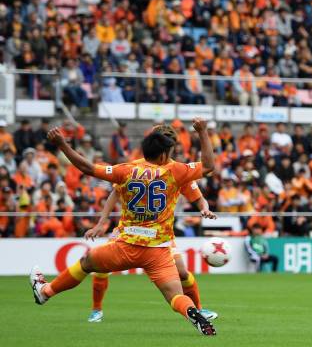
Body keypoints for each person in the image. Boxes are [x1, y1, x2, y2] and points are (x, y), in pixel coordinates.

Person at [29, 118, 217, 336]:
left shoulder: (127, 170)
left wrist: (62, 144)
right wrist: (202, 131)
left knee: (86, 263)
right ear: (165, 153)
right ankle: (192, 312)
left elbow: (87, 167)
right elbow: (210, 166)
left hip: (125, 244)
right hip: (158, 250)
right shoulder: (176, 171)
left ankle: (46, 292)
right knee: (174, 295)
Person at [83, 125, 218, 323]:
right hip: (129, 229)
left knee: (182, 272)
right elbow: (115, 192)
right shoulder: (136, 165)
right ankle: (96, 310)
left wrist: (204, 208)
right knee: (101, 267)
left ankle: (197, 310)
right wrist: (101, 223)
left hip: (161, 236)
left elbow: (198, 197)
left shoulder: (178, 170)